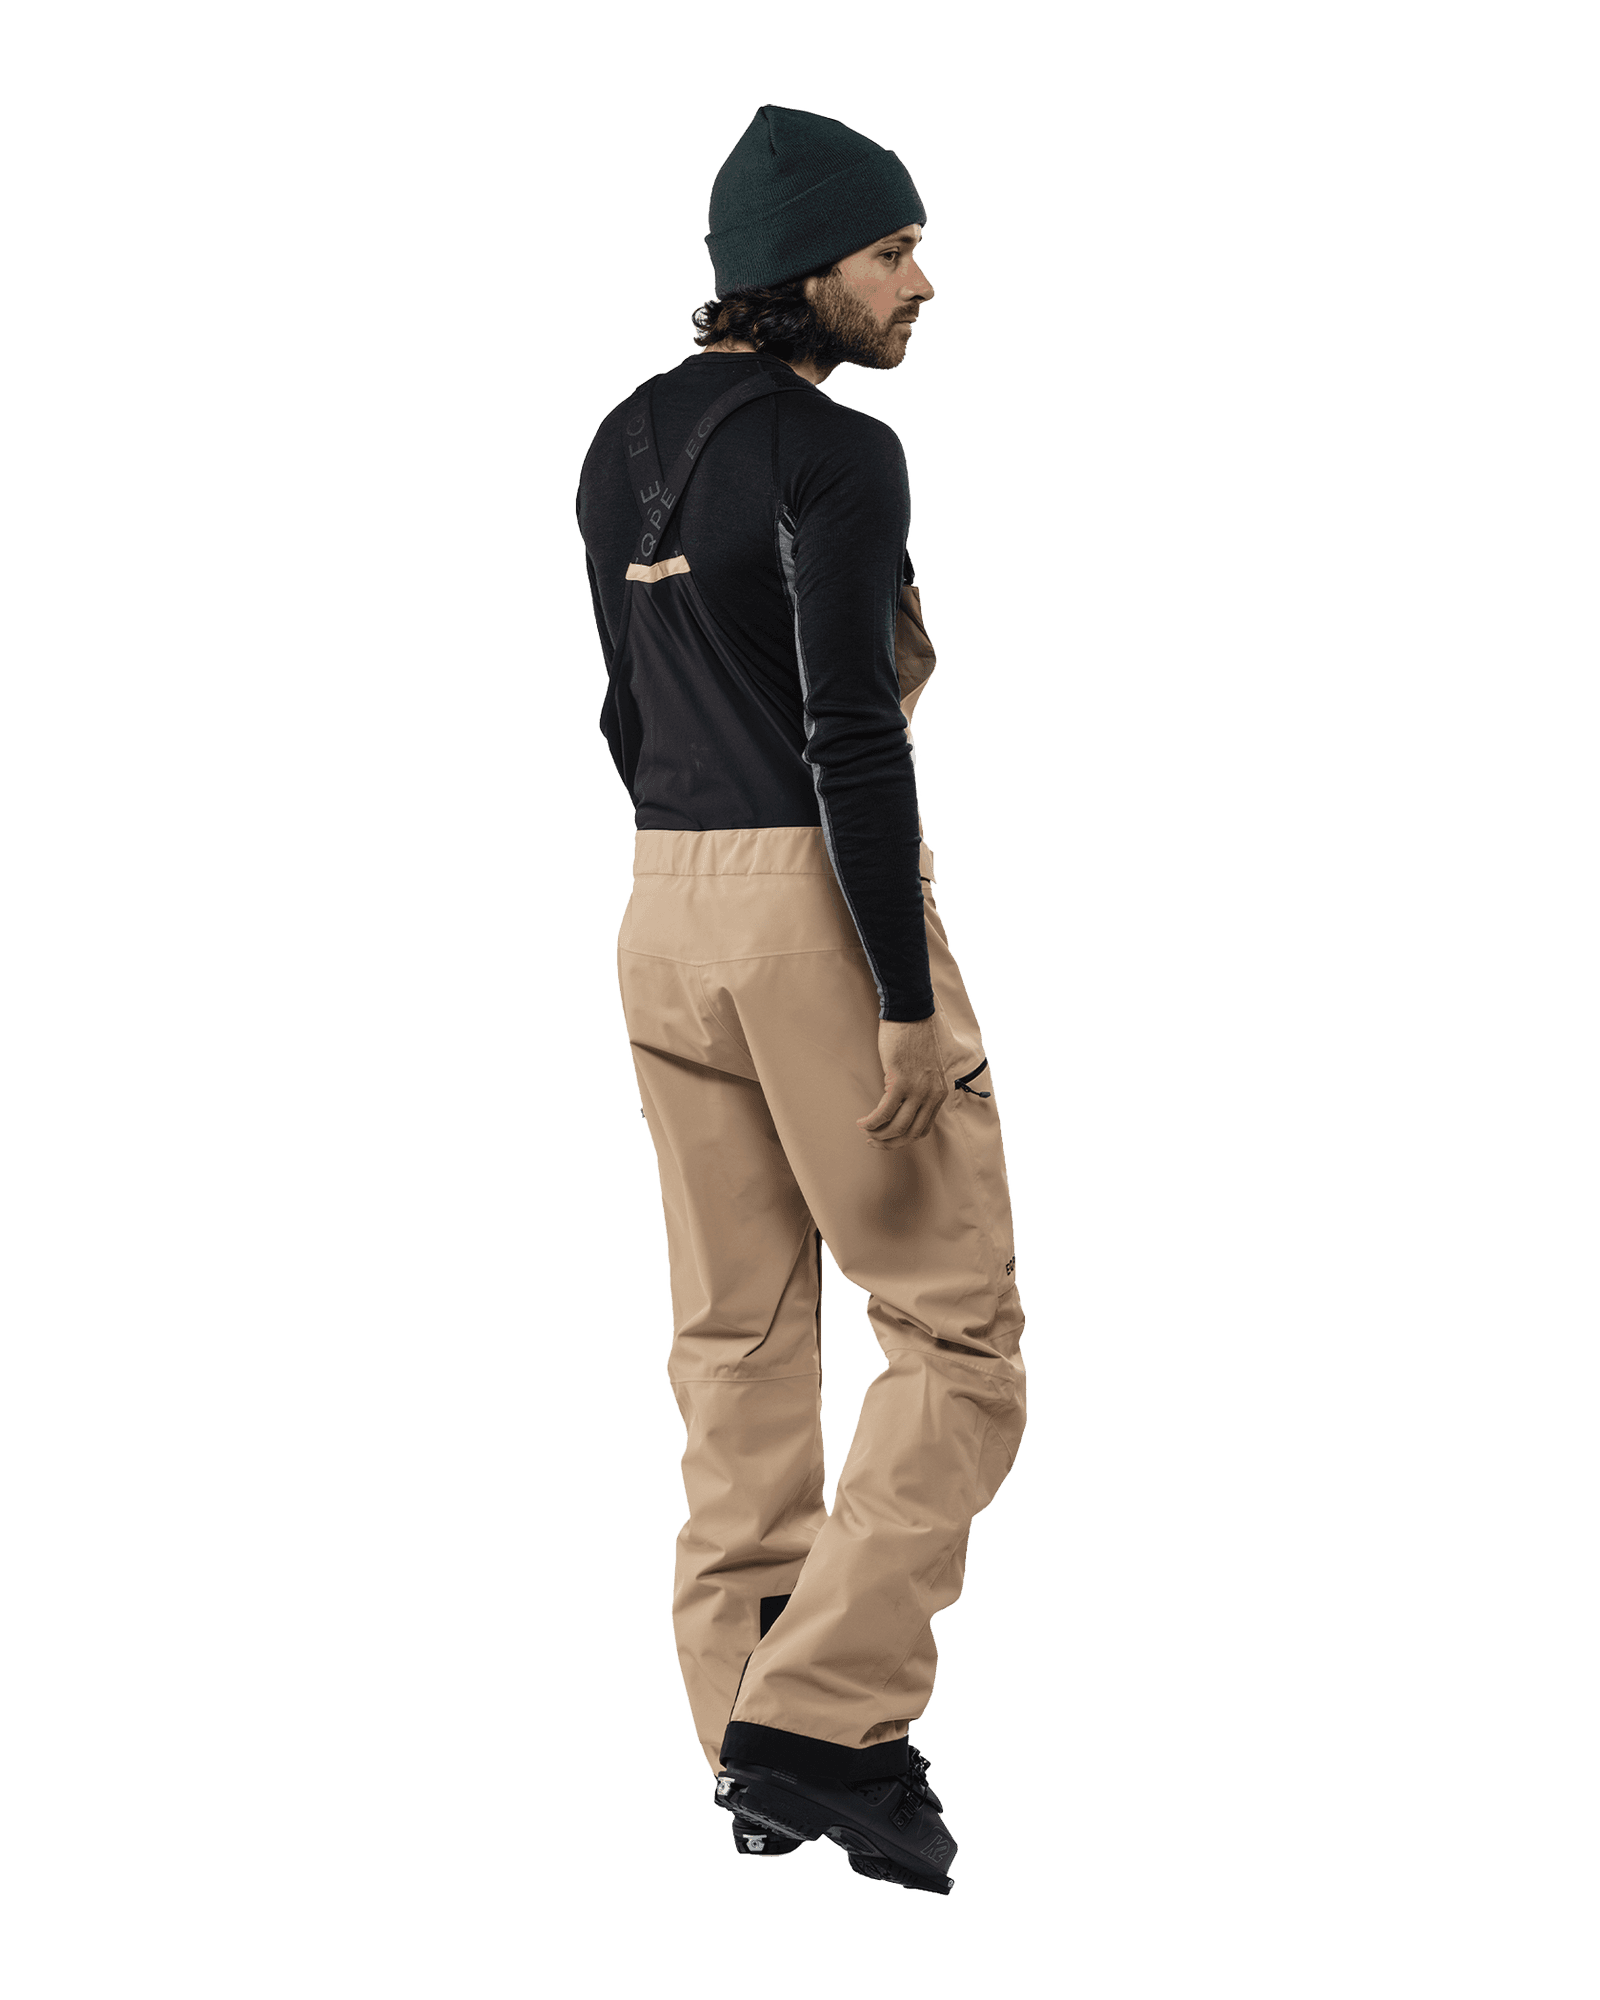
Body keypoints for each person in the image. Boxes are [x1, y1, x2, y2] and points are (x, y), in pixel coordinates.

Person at [573, 103, 1028, 1897]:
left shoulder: (620, 440)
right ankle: (823, 1723)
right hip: (810, 912)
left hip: (658, 906)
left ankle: (745, 1736)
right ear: (802, 269)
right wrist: (899, 993)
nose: (923, 283)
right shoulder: (844, 454)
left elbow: (623, 708)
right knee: (958, 1342)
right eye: (894, 252)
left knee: (736, 1338)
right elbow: (854, 729)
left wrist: (703, 875)